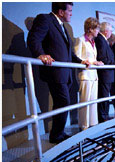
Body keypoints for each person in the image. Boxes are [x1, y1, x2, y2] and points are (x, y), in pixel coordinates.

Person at [27, 2, 90, 144]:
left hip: (66, 74)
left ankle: (58, 134)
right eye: (70, 11)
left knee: (61, 103)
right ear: (61, 12)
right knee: (63, 101)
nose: (71, 14)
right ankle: (56, 135)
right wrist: (41, 54)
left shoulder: (63, 26)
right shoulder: (45, 19)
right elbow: (33, 39)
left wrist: (80, 61)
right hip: (55, 72)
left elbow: (68, 52)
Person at [74, 17, 104, 131]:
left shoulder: (93, 42)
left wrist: (96, 62)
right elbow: (77, 58)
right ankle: (83, 126)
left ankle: (92, 124)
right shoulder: (80, 40)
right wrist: (93, 62)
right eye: (97, 29)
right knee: (85, 101)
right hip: (85, 75)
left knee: (93, 101)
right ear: (90, 29)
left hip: (93, 75)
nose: (98, 31)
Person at [95, 22, 115, 122]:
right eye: (111, 31)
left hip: (108, 75)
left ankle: (105, 117)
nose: (111, 33)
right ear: (106, 31)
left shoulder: (104, 40)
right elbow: (103, 58)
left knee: (105, 97)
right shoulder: (100, 40)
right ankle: (103, 118)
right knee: (103, 97)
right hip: (104, 75)